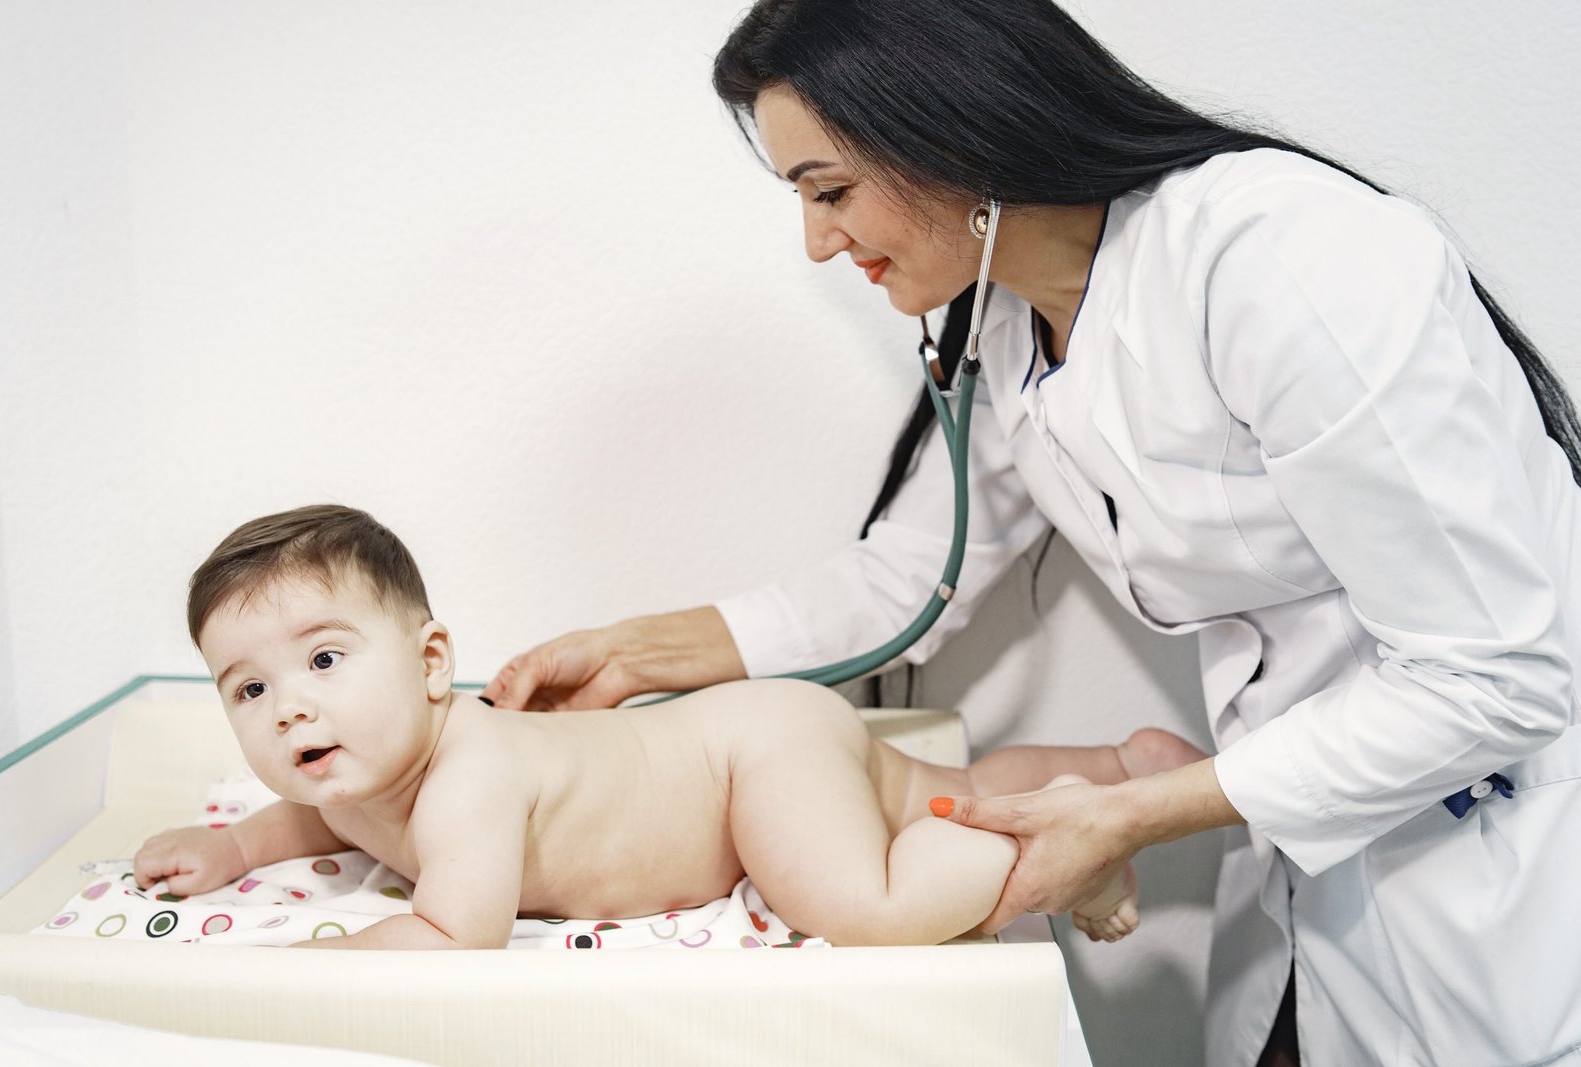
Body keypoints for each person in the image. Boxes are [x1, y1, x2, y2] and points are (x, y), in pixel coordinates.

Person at [481, 1, 1581, 1064]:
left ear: (947, 130)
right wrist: (629, 654)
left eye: (831, 191)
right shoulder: (1010, 327)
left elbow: (1498, 675)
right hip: (1318, 843)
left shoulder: (1281, 259)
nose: (819, 242)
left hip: (1506, 845)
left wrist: (1131, 814)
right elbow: (909, 579)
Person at [132, 504, 1206, 949]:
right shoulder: (361, 776)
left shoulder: (467, 776)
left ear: (431, 666)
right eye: (249, 689)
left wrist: (312, 966)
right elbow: (321, 820)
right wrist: (234, 847)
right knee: (932, 784)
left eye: (322, 659)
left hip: (747, 764)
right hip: (749, 733)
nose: (292, 707)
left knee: (857, 900)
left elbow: (456, 933)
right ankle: (1120, 766)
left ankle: (1055, 839)